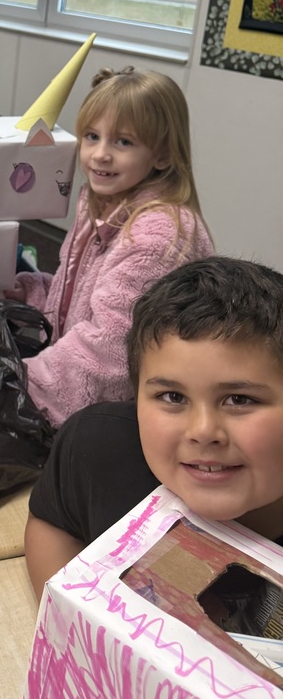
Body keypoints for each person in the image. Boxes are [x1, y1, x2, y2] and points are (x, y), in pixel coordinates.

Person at [25, 257, 283, 605]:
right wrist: (64, 616)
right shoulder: (97, 447)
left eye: (239, 399)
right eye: (173, 397)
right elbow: (53, 522)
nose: (203, 431)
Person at [4, 66, 214, 430]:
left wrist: (14, 383)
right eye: (92, 136)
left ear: (163, 155)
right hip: (88, 392)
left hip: (140, 419)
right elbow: (82, 300)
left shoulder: (158, 235)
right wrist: (26, 292)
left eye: (123, 142)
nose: (100, 154)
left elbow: (109, 353)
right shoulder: (102, 203)